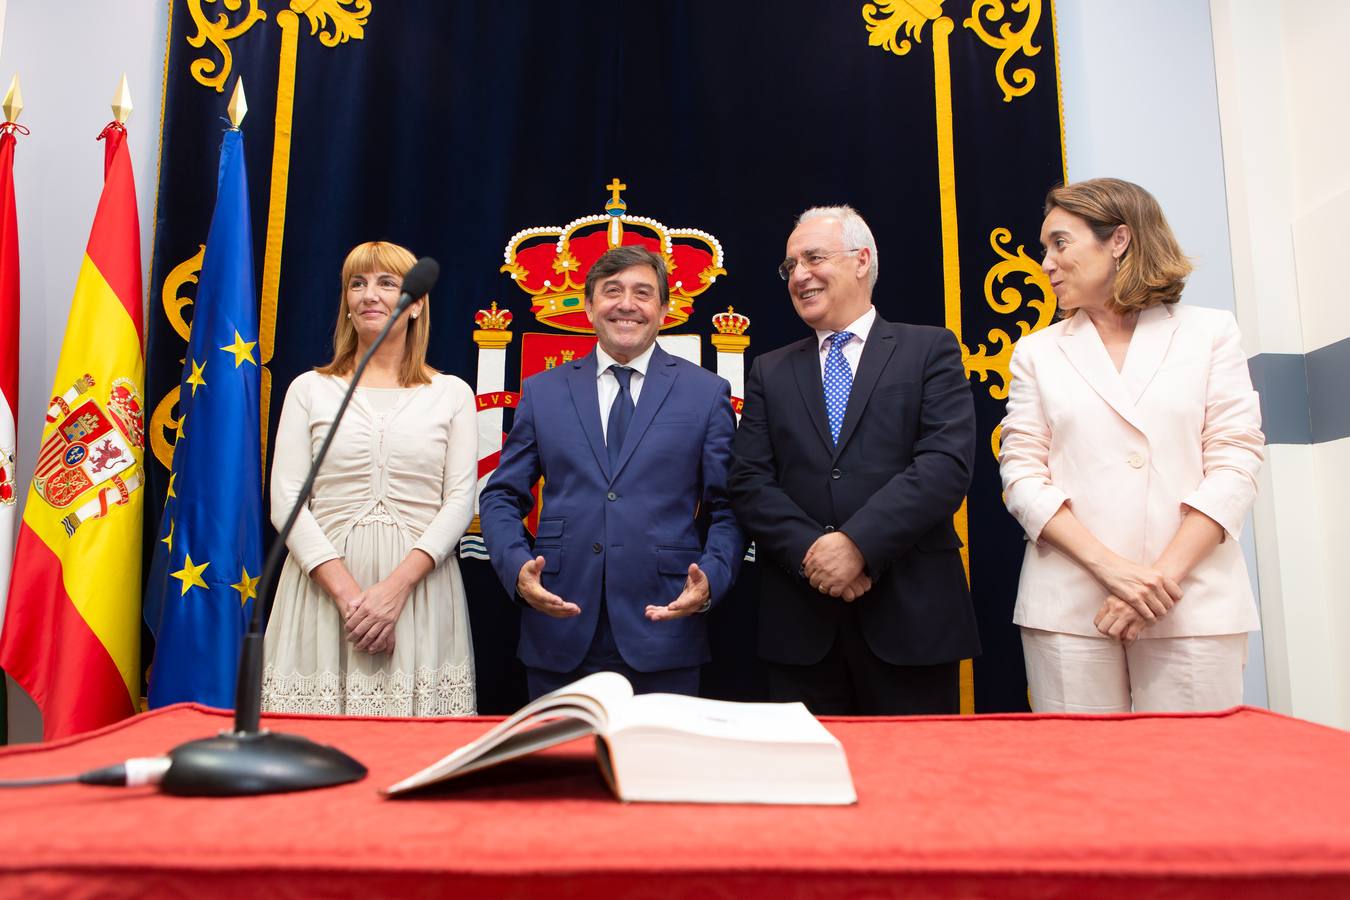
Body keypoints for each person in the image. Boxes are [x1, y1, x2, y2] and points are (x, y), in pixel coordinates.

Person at [999, 177, 1264, 712]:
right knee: (1084, 784)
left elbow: (1236, 462)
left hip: (1192, 602)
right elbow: (1021, 476)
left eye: (1060, 243)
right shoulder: (1036, 352)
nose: (1046, 263)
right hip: (1071, 607)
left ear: (1118, 240)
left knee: (1190, 779)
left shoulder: (1210, 334)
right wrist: (1113, 571)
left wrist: (1156, 581)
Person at [729, 205, 980, 715]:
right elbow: (750, 481)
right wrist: (815, 553)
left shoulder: (929, 349)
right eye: (790, 266)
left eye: (813, 258)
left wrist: (858, 545)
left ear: (862, 260)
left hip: (912, 620)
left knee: (918, 786)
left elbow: (944, 465)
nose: (799, 275)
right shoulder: (769, 370)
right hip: (801, 624)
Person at [479, 245, 744, 700]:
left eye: (643, 293)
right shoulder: (543, 391)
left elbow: (730, 506)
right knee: (559, 770)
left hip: (664, 622)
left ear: (664, 309)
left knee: (659, 770)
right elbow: (501, 496)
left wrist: (712, 579)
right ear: (588, 306)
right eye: (612, 291)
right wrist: (517, 568)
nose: (626, 304)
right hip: (558, 622)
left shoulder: (705, 393)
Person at [261, 241, 478, 716]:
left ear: (416, 304)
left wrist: (393, 591)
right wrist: (350, 598)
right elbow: (286, 501)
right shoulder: (310, 389)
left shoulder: (452, 394)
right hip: (321, 597)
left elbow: (461, 501)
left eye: (387, 283)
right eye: (356, 284)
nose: (369, 295)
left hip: (420, 596)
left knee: (409, 754)